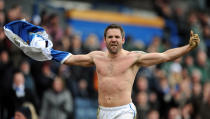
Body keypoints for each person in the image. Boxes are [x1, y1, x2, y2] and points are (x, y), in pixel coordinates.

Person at [4, 21, 200, 119]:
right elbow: (70, 59)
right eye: (110, 37)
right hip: (103, 111)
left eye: (117, 36)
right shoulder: (96, 57)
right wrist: (49, 51)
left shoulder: (135, 57)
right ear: (105, 40)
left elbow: (165, 55)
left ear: (123, 40)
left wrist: (188, 47)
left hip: (124, 111)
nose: (113, 39)